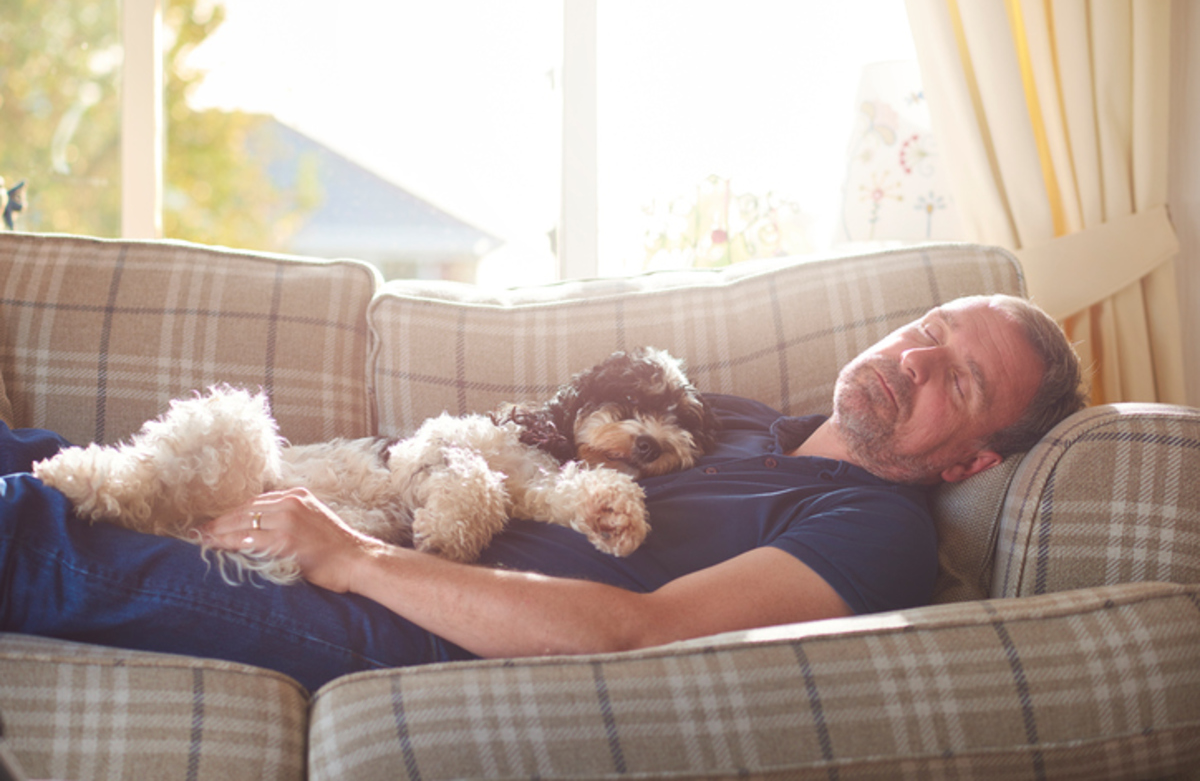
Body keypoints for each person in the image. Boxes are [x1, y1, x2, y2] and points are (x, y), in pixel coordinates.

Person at [0, 294, 1086, 692]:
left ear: (971, 464)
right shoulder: (747, 418)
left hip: (392, 617)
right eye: (930, 330)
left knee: (33, 533)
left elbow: (640, 632)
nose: (914, 359)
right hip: (372, 504)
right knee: (44, 457)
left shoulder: (873, 528)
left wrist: (352, 555)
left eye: (961, 379)